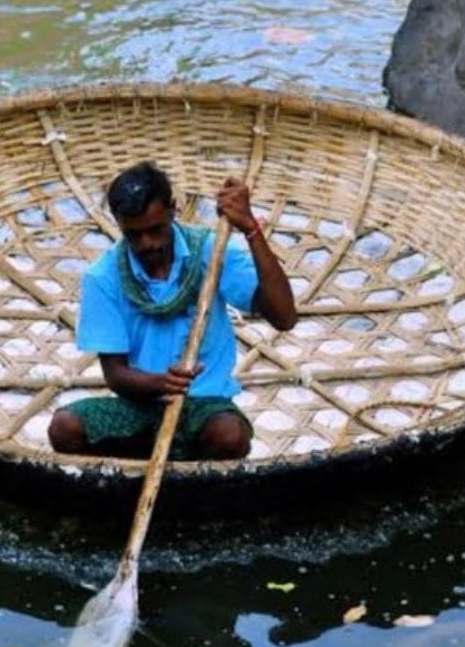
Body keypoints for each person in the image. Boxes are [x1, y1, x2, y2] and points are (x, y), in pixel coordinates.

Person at [47, 161, 296, 460]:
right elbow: (115, 375)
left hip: (206, 405)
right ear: (119, 223)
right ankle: (137, 469)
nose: (147, 243)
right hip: (140, 406)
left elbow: (284, 317)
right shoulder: (102, 277)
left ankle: (187, 470)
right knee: (64, 427)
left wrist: (251, 229)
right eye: (134, 235)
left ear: (173, 209)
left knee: (229, 435)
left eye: (155, 229)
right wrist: (162, 384)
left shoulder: (209, 250)